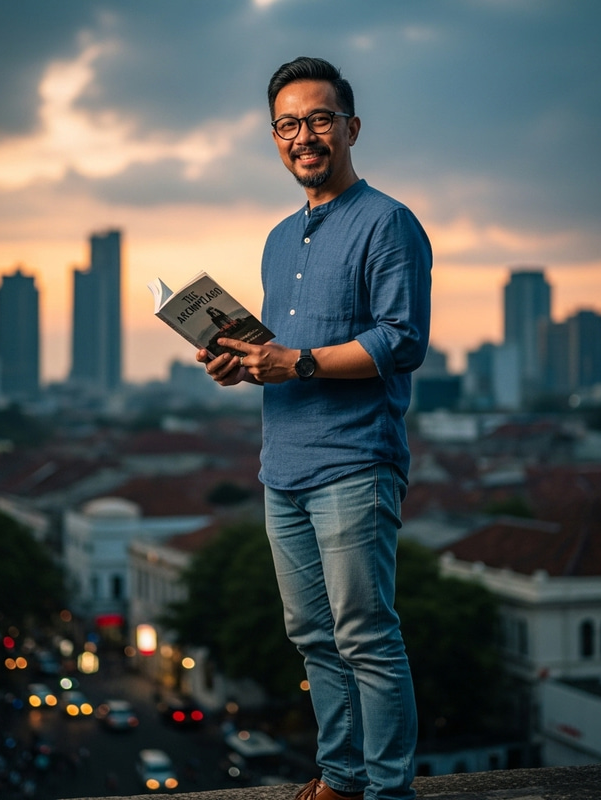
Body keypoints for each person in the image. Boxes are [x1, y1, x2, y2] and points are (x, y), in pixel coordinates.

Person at [198, 56, 431, 800]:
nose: (305, 136)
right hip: (282, 467)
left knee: (366, 636)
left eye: (320, 119)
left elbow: (402, 340)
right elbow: (284, 351)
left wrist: (293, 361)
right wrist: (242, 363)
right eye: (289, 124)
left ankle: (388, 789)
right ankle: (342, 775)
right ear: (275, 138)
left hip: (355, 463)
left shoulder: (388, 222)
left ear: (351, 128)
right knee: (313, 638)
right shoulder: (275, 238)